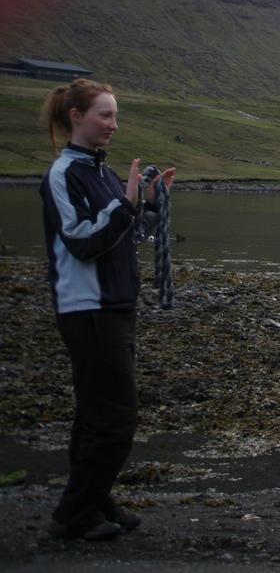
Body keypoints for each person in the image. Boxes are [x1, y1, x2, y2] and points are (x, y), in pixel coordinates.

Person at [38, 78, 175, 540]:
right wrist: (125, 203)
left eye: (115, 116)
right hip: (87, 309)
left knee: (94, 415)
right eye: (105, 115)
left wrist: (148, 206)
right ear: (76, 116)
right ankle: (72, 517)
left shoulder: (101, 172)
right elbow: (80, 242)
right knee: (116, 421)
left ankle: (97, 503)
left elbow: (124, 237)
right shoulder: (63, 175)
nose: (113, 125)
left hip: (116, 306)